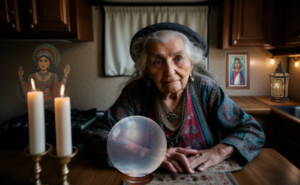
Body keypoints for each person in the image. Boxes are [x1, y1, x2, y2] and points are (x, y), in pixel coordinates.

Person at [84, 22, 265, 174]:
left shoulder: (207, 91)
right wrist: (147, 154)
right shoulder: (135, 94)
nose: (169, 71)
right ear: (146, 68)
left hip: (202, 177)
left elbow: (252, 131)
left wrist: (217, 152)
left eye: (178, 58)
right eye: (157, 62)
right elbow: (96, 136)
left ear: (191, 63)